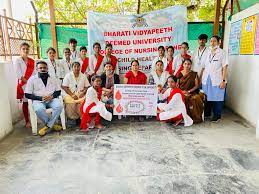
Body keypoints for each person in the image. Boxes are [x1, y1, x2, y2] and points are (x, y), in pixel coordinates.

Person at [25, 61, 63, 136]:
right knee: (39, 109)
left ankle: (48, 126)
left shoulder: (53, 78)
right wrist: (40, 98)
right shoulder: (32, 79)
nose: (42, 69)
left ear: (47, 68)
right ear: (37, 69)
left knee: (59, 106)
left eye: (44, 68)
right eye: (40, 68)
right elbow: (27, 94)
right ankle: (51, 125)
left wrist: (51, 96)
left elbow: (58, 91)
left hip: (51, 99)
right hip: (38, 100)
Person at [200, 35, 228, 123]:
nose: (212, 43)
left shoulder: (222, 53)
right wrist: (200, 78)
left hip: (217, 79)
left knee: (218, 97)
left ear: (219, 42)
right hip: (207, 78)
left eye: (214, 41)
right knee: (207, 97)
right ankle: (207, 113)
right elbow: (203, 66)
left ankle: (217, 115)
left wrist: (223, 80)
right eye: (211, 41)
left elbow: (225, 67)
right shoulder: (207, 52)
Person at [14, 42, 35, 128]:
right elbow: (18, 74)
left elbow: (34, 73)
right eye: (23, 49)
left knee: (34, 101)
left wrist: (33, 82)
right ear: (20, 50)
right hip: (24, 84)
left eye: (27, 49)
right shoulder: (17, 61)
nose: (25, 50)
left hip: (32, 84)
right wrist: (27, 81)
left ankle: (34, 118)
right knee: (26, 102)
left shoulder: (32, 61)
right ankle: (27, 121)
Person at [178, 59, 205, 123]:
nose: (187, 65)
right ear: (183, 65)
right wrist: (182, 92)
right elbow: (177, 85)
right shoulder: (179, 74)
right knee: (182, 98)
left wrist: (189, 91)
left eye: (188, 64)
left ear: (191, 65)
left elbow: (196, 85)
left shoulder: (194, 74)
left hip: (192, 92)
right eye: (185, 64)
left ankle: (194, 117)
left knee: (194, 99)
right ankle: (182, 117)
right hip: (181, 92)